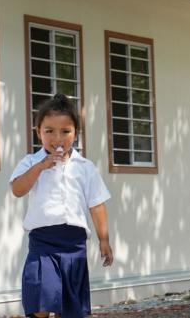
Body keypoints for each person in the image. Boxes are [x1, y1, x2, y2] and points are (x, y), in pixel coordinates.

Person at [10, 93, 113, 318]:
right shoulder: (29, 162)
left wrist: (103, 239)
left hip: (74, 245)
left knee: (71, 309)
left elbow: (96, 204)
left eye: (65, 131)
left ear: (75, 133)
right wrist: (40, 167)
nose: (57, 138)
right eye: (49, 131)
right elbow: (18, 189)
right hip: (43, 243)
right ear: (39, 132)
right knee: (40, 303)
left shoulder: (85, 167)